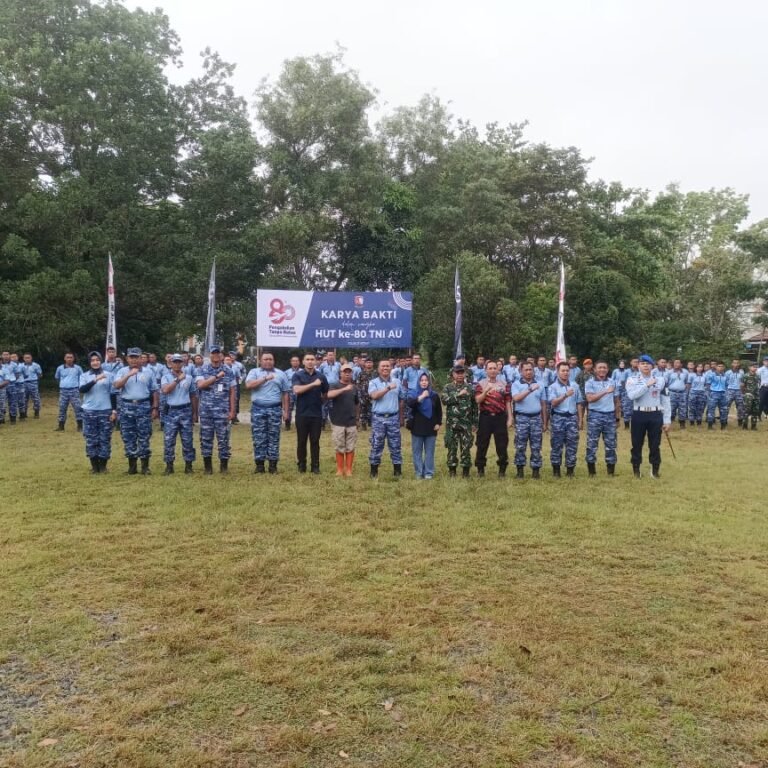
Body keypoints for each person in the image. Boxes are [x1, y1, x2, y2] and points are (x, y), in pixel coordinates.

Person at [113, 348, 159, 474]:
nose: (134, 359)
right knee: (128, 436)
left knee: (144, 436)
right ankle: (132, 467)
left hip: (143, 406)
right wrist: (128, 375)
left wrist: (155, 408)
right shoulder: (122, 371)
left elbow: (154, 391)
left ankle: (145, 467)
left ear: (141, 358)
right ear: (127, 359)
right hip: (127, 406)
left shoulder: (149, 372)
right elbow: (116, 386)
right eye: (131, 357)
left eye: (136, 357)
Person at [625, 354, 671, 478]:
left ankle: (654, 470)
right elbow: (632, 396)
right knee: (636, 444)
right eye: (642, 363)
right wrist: (647, 385)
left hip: (655, 414)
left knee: (655, 444)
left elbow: (666, 400)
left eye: (648, 363)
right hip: (639, 414)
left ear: (652, 366)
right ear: (638, 365)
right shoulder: (632, 379)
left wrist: (667, 420)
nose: (645, 365)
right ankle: (636, 469)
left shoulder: (660, 380)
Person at [245, 352, 290, 474]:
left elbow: (286, 393)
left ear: (274, 361)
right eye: (265, 359)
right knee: (258, 438)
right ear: (261, 360)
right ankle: (259, 466)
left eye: (270, 359)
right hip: (258, 409)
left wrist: (286, 411)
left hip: (275, 409)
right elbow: (249, 385)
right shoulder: (254, 372)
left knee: (274, 437)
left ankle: (273, 465)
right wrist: (265, 378)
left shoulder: (281, 374)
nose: (268, 361)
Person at [196, 346, 236, 474]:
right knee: (206, 439)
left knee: (223, 439)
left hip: (222, 411)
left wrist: (232, 410)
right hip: (206, 411)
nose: (216, 355)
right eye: (213, 353)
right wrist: (217, 377)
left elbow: (232, 392)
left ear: (221, 355)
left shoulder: (229, 371)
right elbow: (201, 385)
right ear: (210, 356)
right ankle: (208, 467)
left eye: (218, 353)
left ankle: (224, 467)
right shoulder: (202, 370)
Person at [79, 352, 117, 473]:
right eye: (92, 360)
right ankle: (94, 466)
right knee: (91, 438)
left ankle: (103, 466)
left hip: (105, 410)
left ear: (101, 361)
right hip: (89, 411)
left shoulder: (109, 375)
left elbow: (113, 394)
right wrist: (95, 380)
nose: (95, 362)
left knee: (105, 438)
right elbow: (82, 389)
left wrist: (114, 411)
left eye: (97, 360)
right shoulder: (84, 375)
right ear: (89, 362)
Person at [292, 353, 329, 474]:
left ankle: (315, 466)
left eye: (312, 359)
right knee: (301, 441)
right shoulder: (297, 375)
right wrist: (313, 384)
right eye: (307, 359)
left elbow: (325, 393)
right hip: (302, 414)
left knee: (315, 441)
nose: (310, 361)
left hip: (316, 414)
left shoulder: (321, 376)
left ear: (315, 362)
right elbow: (297, 390)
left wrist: (320, 402)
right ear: (303, 362)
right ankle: (301, 465)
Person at [474, 361, 512, 477]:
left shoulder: (504, 384)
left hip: (500, 417)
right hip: (485, 417)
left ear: (498, 370)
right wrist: (486, 391)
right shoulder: (480, 384)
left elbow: (508, 402)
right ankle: (480, 469)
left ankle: (502, 469)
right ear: (486, 370)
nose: (492, 370)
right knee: (482, 444)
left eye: (494, 368)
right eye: (490, 368)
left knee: (502, 444)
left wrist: (510, 417)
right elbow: (477, 400)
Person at [161, 354, 198, 474]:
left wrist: (194, 413)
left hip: (185, 410)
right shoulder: (165, 377)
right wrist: (177, 380)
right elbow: (166, 390)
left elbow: (193, 395)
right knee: (169, 439)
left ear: (183, 363)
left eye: (179, 362)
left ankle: (188, 465)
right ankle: (169, 465)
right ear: (170, 363)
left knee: (187, 439)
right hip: (171, 411)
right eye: (174, 362)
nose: (177, 364)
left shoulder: (189, 377)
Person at [511, 361, 547, 479]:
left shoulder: (540, 384)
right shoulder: (516, 384)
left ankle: (536, 471)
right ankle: (520, 471)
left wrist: (545, 421)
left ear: (533, 370)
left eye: (530, 369)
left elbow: (543, 404)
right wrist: (530, 389)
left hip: (536, 418)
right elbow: (516, 398)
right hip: (522, 418)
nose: (528, 372)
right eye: (525, 370)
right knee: (520, 445)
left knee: (536, 446)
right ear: (521, 371)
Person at [548, 361, 584, 477]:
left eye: (567, 370)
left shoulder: (575, 385)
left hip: (572, 418)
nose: (565, 373)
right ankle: (556, 470)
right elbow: (553, 402)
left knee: (572, 445)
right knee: (557, 445)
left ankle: (570, 470)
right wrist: (565, 395)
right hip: (558, 418)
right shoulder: (553, 387)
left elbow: (579, 403)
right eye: (563, 370)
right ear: (557, 372)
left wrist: (580, 419)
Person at [368, 359, 403, 478]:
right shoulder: (373, 382)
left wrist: (402, 417)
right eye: (383, 366)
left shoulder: (397, 381)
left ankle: (397, 471)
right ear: (378, 369)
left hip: (393, 418)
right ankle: (374, 471)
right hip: (379, 419)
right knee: (377, 445)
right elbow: (374, 396)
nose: (385, 368)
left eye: (388, 366)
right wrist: (388, 388)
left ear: (391, 368)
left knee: (395, 445)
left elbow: (402, 398)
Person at [441, 365, 478, 478]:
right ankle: (452, 470)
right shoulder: (448, 387)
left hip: (466, 424)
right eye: (457, 373)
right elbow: (444, 400)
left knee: (466, 447)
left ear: (465, 374)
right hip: (452, 424)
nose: (460, 375)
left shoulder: (470, 388)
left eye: (462, 373)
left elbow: (474, 407)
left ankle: (465, 471)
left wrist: (475, 423)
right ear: (453, 374)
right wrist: (458, 395)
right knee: (452, 447)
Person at [584, 361, 619, 475]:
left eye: (604, 367)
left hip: (610, 415)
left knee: (611, 444)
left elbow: (616, 401)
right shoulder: (590, 382)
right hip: (595, 415)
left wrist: (617, 417)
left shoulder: (612, 382)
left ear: (608, 369)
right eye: (599, 368)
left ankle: (611, 471)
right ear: (594, 369)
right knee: (592, 444)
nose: (602, 370)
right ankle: (592, 471)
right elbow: (590, 399)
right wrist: (605, 391)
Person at [407, 372, 442, 479]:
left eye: (426, 380)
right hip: (417, 426)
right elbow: (410, 404)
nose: (424, 382)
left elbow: (439, 411)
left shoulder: (434, 395)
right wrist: (421, 397)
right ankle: (419, 472)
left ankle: (428, 473)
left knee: (429, 452)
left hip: (431, 427)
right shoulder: (413, 394)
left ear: (429, 382)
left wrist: (438, 423)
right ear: (418, 382)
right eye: (421, 380)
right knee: (417, 451)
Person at [326, 363, 359, 477]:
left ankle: (348, 469)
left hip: (351, 421)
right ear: (340, 373)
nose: (347, 374)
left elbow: (357, 404)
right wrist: (345, 389)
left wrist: (357, 418)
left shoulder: (354, 387)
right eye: (345, 372)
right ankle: (340, 469)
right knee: (339, 446)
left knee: (350, 446)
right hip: (338, 421)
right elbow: (329, 395)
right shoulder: (334, 385)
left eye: (349, 372)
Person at [55, 352, 84, 432]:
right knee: (62, 408)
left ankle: (80, 426)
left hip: (74, 390)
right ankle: (61, 426)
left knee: (78, 408)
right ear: (64, 358)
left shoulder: (78, 368)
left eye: (71, 357)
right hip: (63, 391)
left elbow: (82, 378)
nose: (69, 359)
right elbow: (57, 378)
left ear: (73, 359)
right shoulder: (60, 368)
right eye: (67, 357)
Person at [704, 362, 728, 430]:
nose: (720, 368)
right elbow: (708, 384)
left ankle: (723, 425)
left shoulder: (725, 376)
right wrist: (709, 393)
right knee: (711, 410)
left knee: (723, 410)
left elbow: (726, 385)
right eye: (719, 366)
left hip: (723, 394)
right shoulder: (712, 375)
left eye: (722, 366)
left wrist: (726, 392)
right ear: (716, 367)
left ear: (724, 367)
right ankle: (710, 425)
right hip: (714, 393)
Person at [666, 359, 689, 429]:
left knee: (682, 409)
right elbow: (666, 383)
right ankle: (668, 424)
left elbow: (686, 382)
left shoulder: (685, 372)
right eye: (675, 363)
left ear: (681, 364)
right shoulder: (669, 372)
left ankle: (682, 424)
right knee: (671, 408)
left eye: (678, 363)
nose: (676, 364)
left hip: (682, 393)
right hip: (672, 393)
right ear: (673, 364)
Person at [725, 359, 746, 427]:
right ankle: (724, 421)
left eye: (737, 363)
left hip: (739, 391)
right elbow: (725, 382)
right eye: (734, 363)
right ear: (732, 364)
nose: (736, 365)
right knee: (726, 406)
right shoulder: (728, 372)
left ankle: (740, 421)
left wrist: (743, 391)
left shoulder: (742, 372)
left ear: (739, 364)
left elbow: (743, 382)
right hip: (730, 390)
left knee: (740, 407)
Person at [21, 353, 43, 419]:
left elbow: (40, 374)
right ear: (23, 358)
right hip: (23, 383)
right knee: (23, 398)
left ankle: (36, 412)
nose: (27, 359)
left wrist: (35, 380)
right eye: (26, 358)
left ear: (31, 358)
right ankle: (24, 413)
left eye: (29, 357)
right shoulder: (20, 365)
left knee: (36, 398)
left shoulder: (36, 365)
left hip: (33, 383)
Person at [356, 358, 374, 430]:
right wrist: (359, 394)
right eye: (367, 362)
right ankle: (363, 425)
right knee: (363, 410)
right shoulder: (361, 373)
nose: (369, 364)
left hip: (373, 394)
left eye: (370, 362)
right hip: (363, 395)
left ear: (372, 363)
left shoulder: (376, 373)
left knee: (373, 409)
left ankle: (372, 424)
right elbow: (358, 384)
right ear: (365, 364)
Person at [284, 355, 302, 429]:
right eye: (293, 361)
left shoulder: (303, 371)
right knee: (288, 408)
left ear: (299, 362)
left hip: (300, 392)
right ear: (291, 362)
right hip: (289, 392)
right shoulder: (286, 372)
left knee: (300, 408)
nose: (295, 362)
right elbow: (284, 383)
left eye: (296, 361)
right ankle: (287, 425)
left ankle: (299, 424)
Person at [742, 361, 760, 430]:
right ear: (749, 367)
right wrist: (745, 393)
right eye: (753, 367)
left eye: (756, 367)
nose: (755, 368)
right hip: (748, 395)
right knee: (747, 410)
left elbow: (758, 385)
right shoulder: (745, 376)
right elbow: (742, 386)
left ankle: (753, 426)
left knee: (755, 411)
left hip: (756, 395)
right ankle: (745, 425)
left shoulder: (758, 376)